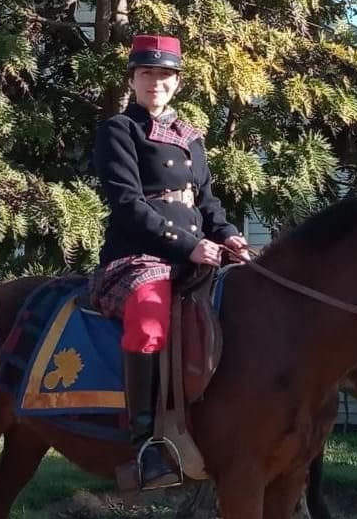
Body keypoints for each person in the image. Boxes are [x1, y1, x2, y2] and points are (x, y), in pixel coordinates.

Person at [91, 34, 250, 490]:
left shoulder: (190, 136)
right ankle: (145, 442)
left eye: (163, 75)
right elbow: (127, 203)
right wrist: (186, 246)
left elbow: (206, 201)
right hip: (139, 254)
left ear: (176, 82)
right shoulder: (119, 130)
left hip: (199, 251)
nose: (155, 83)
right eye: (146, 74)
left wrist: (230, 235)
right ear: (133, 80)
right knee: (148, 317)